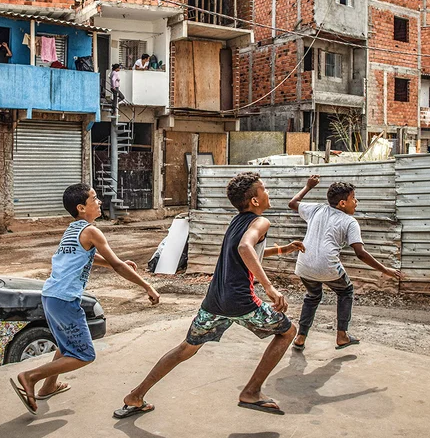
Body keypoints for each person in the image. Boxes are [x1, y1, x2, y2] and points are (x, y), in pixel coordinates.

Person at [114, 172, 305, 419]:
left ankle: (136, 395)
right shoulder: (261, 222)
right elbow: (245, 248)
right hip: (241, 301)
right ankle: (251, 391)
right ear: (255, 201)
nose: (268, 192)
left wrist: (283, 249)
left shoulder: (237, 222)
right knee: (288, 331)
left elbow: (245, 252)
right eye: (264, 189)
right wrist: (269, 287)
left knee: (186, 348)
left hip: (214, 301)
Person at [10, 183, 160, 416]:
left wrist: (115, 262)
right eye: (94, 198)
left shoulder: (74, 229)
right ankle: (30, 377)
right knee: (83, 355)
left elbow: (90, 256)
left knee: (64, 344)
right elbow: (118, 265)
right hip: (65, 300)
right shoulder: (92, 231)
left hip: (51, 295)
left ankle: (49, 387)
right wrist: (147, 285)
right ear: (81, 207)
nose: (99, 201)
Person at [288, 176, 402, 351]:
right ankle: (342, 336)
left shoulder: (317, 209)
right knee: (346, 291)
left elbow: (293, 203)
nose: (356, 202)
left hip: (304, 265)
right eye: (353, 198)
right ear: (342, 203)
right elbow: (361, 253)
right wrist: (385, 269)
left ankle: (300, 337)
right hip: (327, 266)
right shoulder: (350, 222)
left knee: (312, 297)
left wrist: (308, 186)